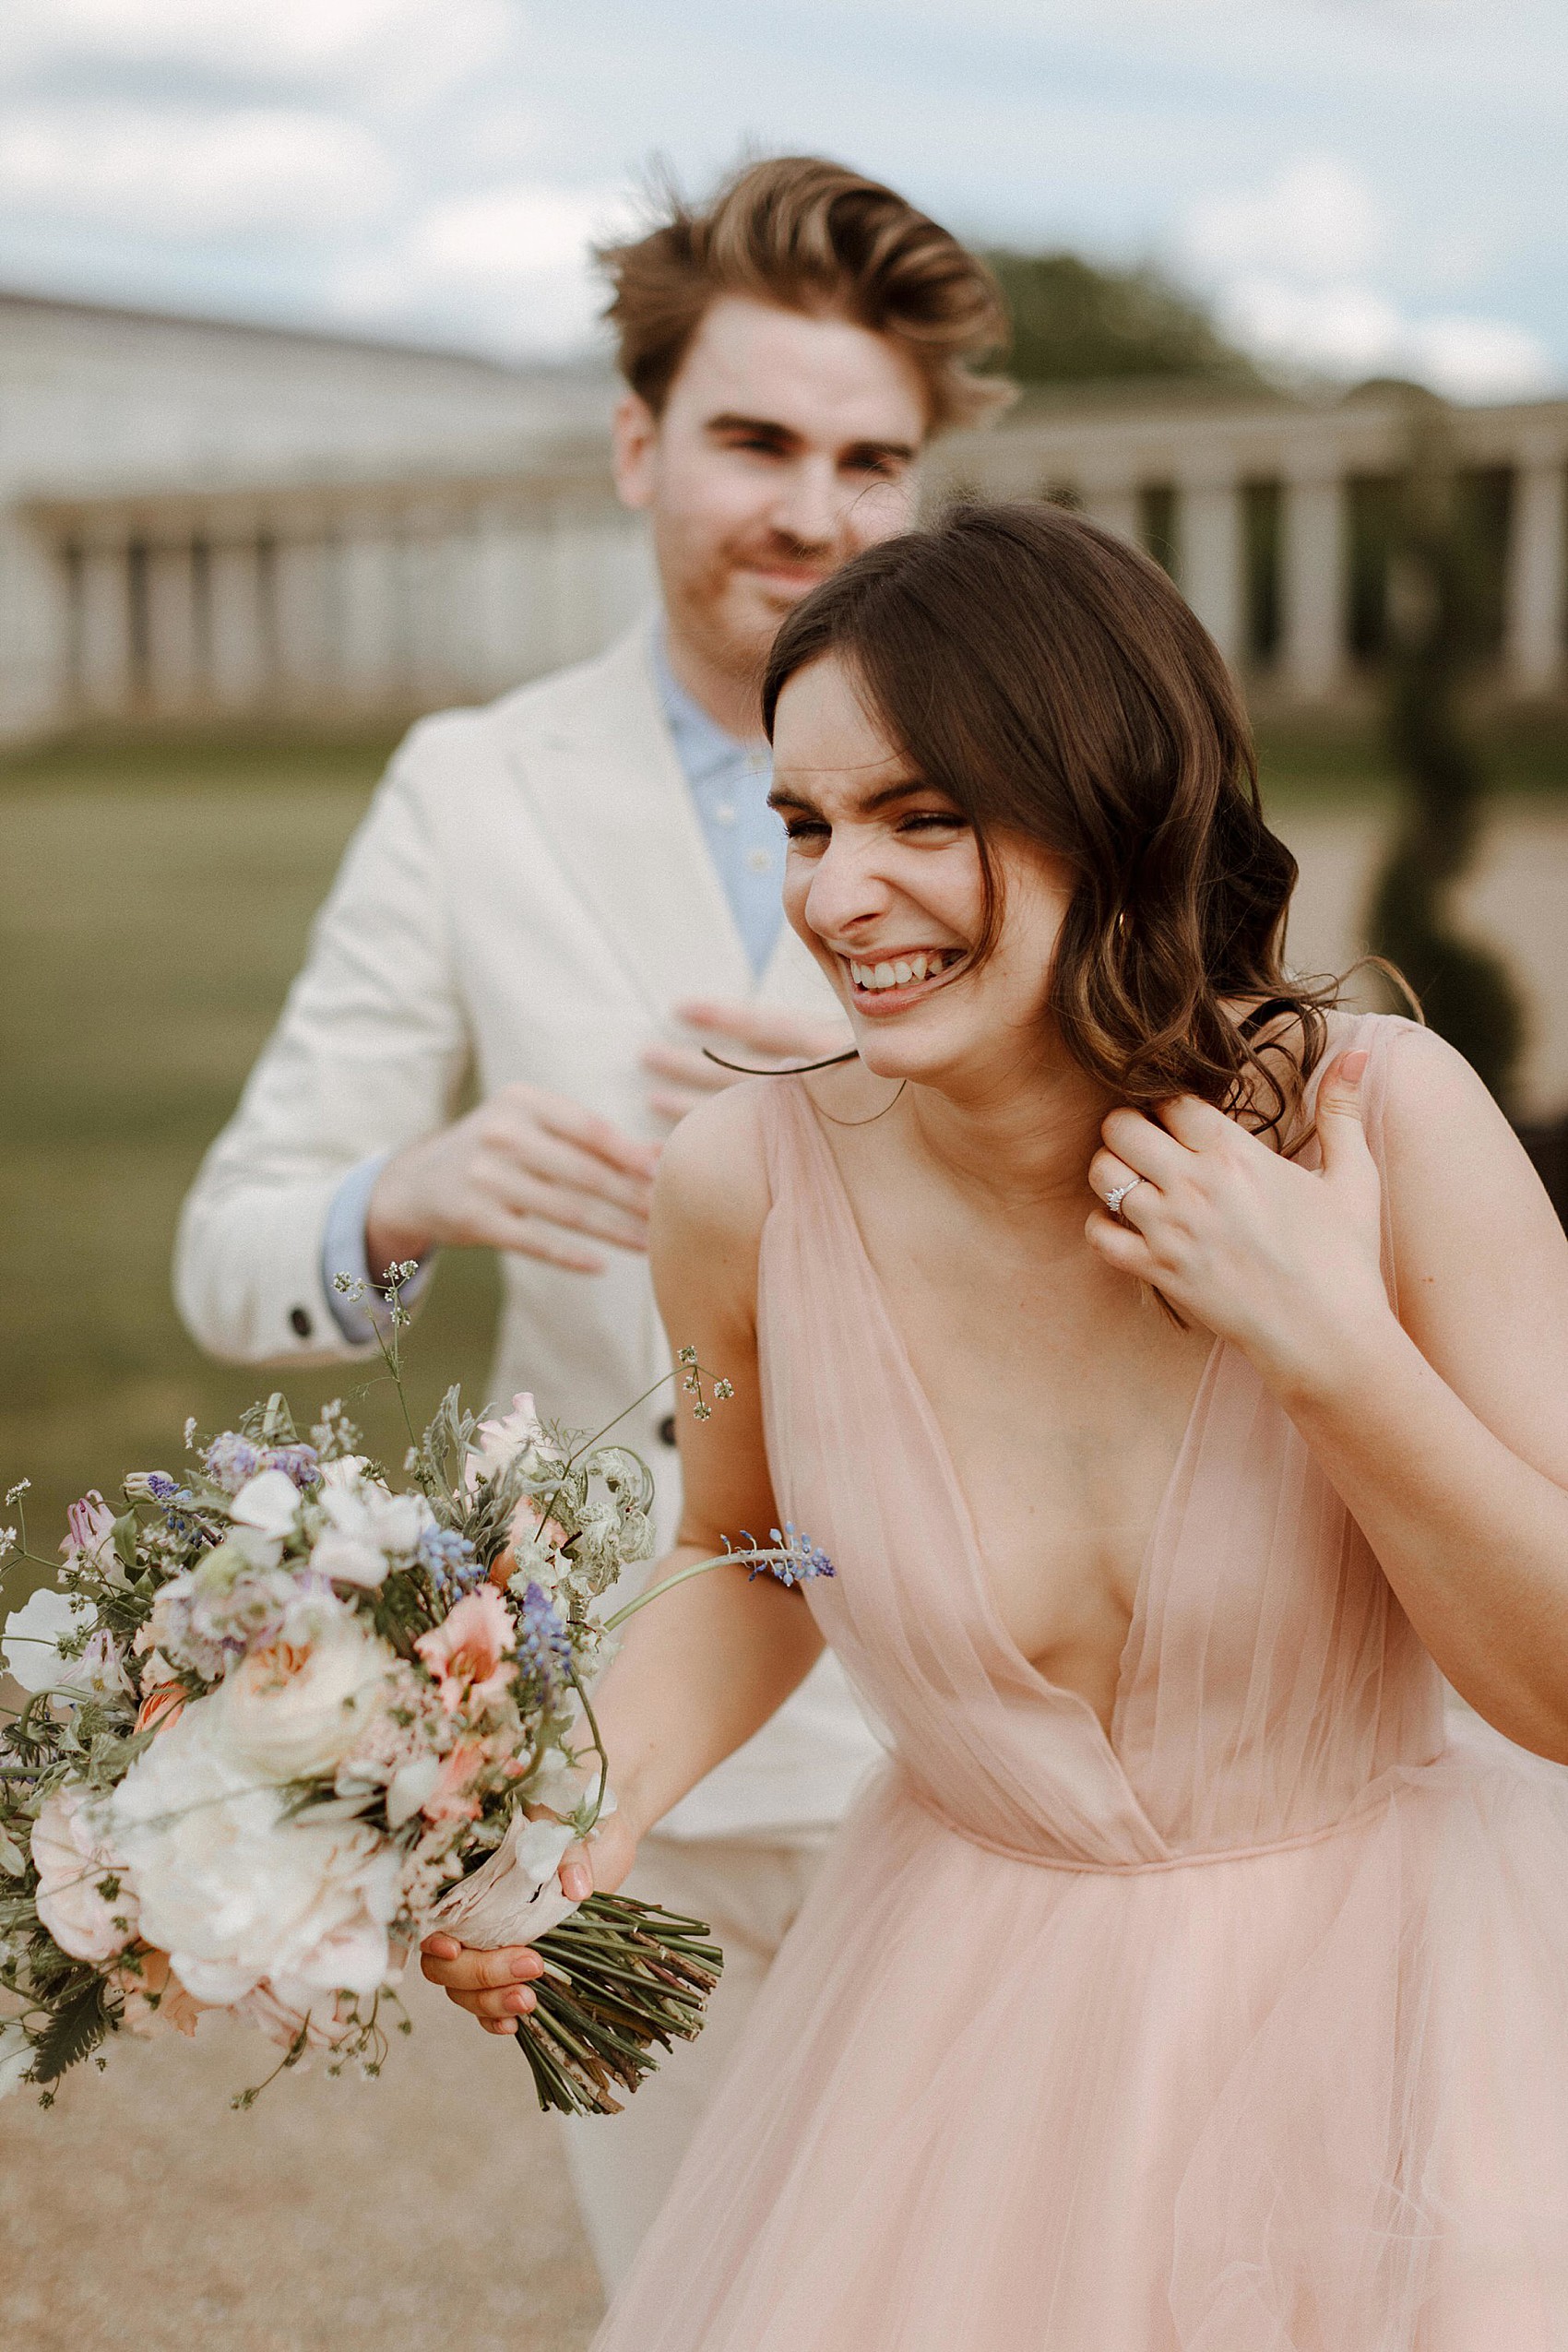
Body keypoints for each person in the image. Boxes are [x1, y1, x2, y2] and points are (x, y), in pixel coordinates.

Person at [424, 500, 1568, 2348]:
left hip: (1398, 2033)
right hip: (965, 2047)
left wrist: (1330, 1346)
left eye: (917, 815)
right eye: (803, 823)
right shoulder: (737, 1186)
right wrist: (588, 1801)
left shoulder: (1383, 1126)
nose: (831, 894)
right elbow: (750, 1548)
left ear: (1108, 801)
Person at [172, 157, 1010, 2287]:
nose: (811, 511)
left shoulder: (1038, 772)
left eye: (867, 458)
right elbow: (233, 1239)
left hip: (1009, 1708)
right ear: (639, 441)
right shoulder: (469, 784)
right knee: (713, 2297)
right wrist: (412, 1192)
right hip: (652, 1742)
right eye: (754, 440)